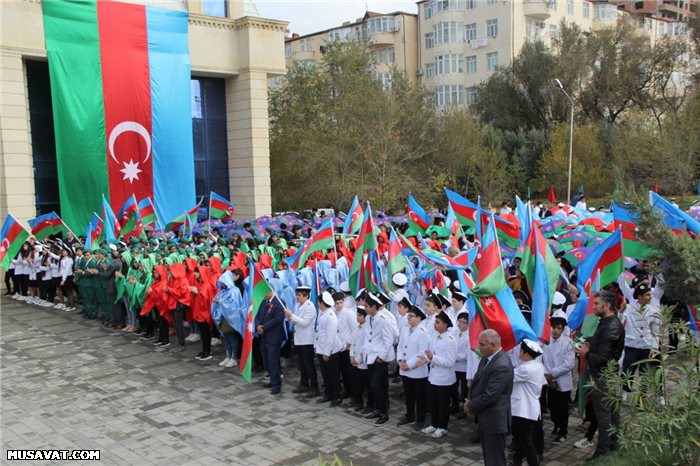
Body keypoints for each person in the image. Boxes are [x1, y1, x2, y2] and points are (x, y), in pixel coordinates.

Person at [574, 290, 625, 460]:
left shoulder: (611, 326)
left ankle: (603, 451)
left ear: (607, 305)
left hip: (604, 377)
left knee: (604, 415)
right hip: (606, 375)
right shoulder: (606, 322)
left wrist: (586, 354)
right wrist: (590, 347)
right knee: (611, 413)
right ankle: (614, 445)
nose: (593, 307)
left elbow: (603, 358)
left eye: (596, 304)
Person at [464, 329, 514, 466]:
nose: (479, 347)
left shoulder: (501, 365)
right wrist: (470, 400)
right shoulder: (487, 358)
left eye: (482, 344)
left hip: (495, 420)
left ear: (493, 345)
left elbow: (490, 396)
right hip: (485, 418)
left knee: (495, 460)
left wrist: (471, 405)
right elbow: (477, 381)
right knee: (489, 458)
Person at [422, 311, 458, 438]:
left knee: (442, 404)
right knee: (432, 401)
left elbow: (450, 362)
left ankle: (443, 427)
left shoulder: (450, 340)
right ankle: (434, 423)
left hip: (444, 378)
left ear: (445, 325)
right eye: (435, 322)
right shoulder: (435, 336)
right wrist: (428, 358)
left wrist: (433, 358)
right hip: (433, 376)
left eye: (437, 322)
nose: (435, 325)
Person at [511, 339, 546, 466]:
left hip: (525, 409)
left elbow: (508, 376)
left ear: (526, 353)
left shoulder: (526, 369)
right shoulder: (537, 366)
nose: (519, 353)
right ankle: (517, 460)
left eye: (521, 351)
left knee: (526, 441)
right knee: (521, 438)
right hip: (526, 408)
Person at [542, 311, 575, 443]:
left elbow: (568, 364)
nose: (555, 331)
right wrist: (548, 376)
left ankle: (563, 430)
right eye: (553, 327)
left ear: (563, 329)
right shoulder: (546, 342)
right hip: (550, 381)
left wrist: (553, 374)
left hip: (563, 381)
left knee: (562, 408)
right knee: (552, 406)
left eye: (558, 328)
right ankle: (556, 425)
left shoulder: (568, 343)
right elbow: (544, 360)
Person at [364, 292, 396, 425]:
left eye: (366, 306)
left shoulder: (384, 319)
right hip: (370, 356)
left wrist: (381, 356)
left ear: (373, 307)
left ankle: (383, 412)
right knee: (376, 384)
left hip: (379, 358)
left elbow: (388, 341)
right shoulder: (368, 318)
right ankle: (378, 408)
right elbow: (368, 337)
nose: (364, 308)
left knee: (377, 385)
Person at [396, 305, 430, 429]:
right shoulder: (405, 329)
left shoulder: (423, 332)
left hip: (417, 371)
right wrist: (400, 361)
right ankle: (409, 415)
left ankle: (420, 420)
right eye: (408, 316)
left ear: (419, 318)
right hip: (404, 369)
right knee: (408, 395)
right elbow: (400, 347)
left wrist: (409, 365)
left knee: (420, 397)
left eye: (411, 316)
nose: (408, 318)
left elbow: (422, 354)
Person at [285, 285, 319, 397]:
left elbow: (304, 322)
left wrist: (292, 316)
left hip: (307, 340)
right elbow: (295, 320)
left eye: (299, 295)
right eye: (297, 294)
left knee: (309, 364)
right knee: (302, 364)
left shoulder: (310, 306)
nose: (297, 297)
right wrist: (290, 317)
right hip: (299, 339)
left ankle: (314, 387)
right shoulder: (298, 305)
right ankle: (304, 384)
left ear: (306, 296)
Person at [314, 291, 343, 407]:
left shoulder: (330, 316)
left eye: (318, 302)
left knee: (333, 374)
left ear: (322, 303)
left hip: (330, 350)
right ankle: (328, 394)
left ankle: (337, 396)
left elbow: (330, 336)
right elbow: (319, 332)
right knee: (325, 374)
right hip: (322, 348)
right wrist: (317, 347)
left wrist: (326, 353)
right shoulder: (323, 313)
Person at [255, 290, 286, 395]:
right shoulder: (264, 302)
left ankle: (277, 384)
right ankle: (272, 380)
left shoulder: (279, 302)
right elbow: (258, 315)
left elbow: (278, 319)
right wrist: (258, 325)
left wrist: (264, 327)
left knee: (272, 360)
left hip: (274, 336)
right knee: (266, 359)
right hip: (263, 336)